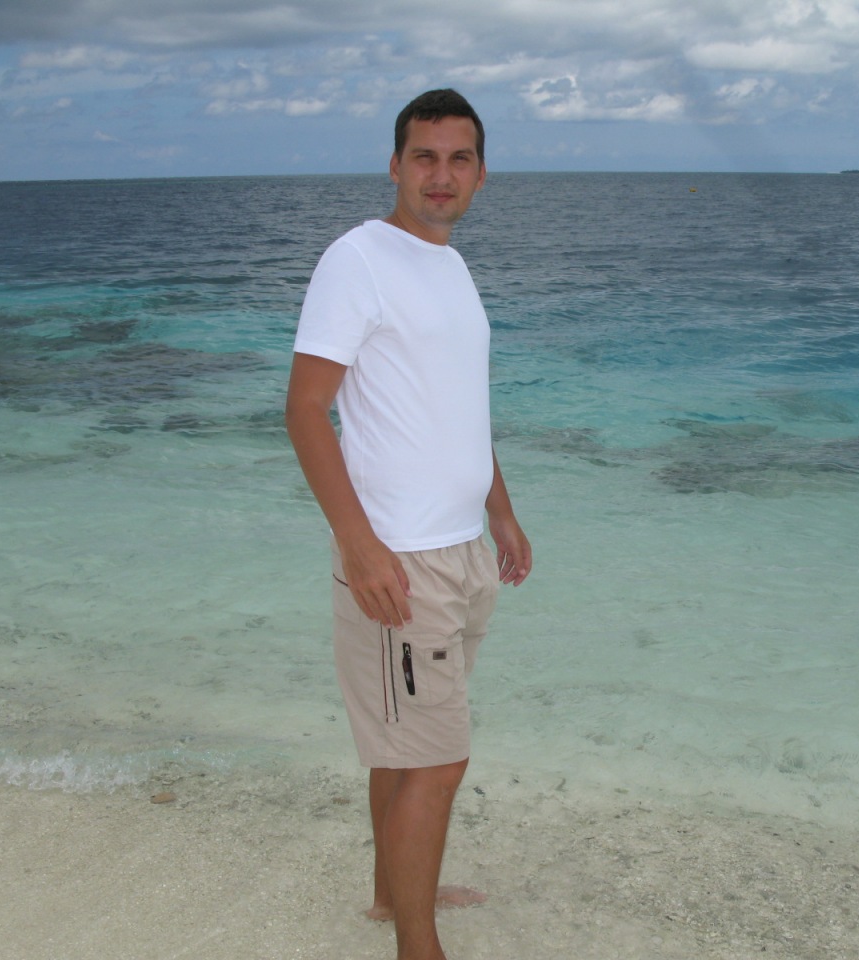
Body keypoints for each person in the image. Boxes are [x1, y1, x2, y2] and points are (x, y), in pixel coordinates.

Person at [285, 88, 532, 960]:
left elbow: (459, 410)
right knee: (437, 758)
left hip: (460, 549)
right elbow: (306, 410)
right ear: (395, 165)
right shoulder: (358, 259)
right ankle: (417, 946)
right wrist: (360, 547)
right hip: (399, 558)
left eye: (459, 159)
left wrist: (500, 510)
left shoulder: (450, 267)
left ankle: (394, 897)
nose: (440, 175)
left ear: (481, 173)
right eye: (424, 157)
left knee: (404, 748)